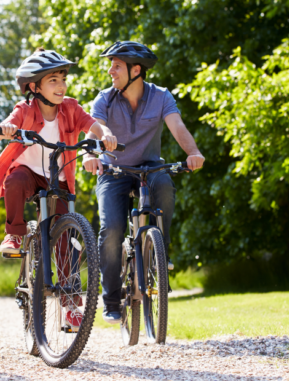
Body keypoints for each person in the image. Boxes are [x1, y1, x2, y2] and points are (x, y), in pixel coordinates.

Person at [0, 48, 118, 329]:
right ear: (34, 86)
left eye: (63, 79)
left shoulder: (71, 108)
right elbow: (11, 121)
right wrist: (7, 128)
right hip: (28, 173)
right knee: (13, 182)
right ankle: (14, 235)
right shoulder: (25, 109)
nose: (61, 85)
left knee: (68, 238)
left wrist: (106, 135)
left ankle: (71, 305)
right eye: (53, 80)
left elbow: (92, 124)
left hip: (58, 177)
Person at [83, 41, 205, 323]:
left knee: (164, 184)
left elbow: (178, 126)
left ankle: (160, 252)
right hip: (113, 170)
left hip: (149, 167)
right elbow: (96, 129)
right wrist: (91, 154)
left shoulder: (161, 96)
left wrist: (193, 153)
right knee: (112, 229)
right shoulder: (104, 99)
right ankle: (111, 299)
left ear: (135, 70)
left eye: (116, 66)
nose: (110, 71)